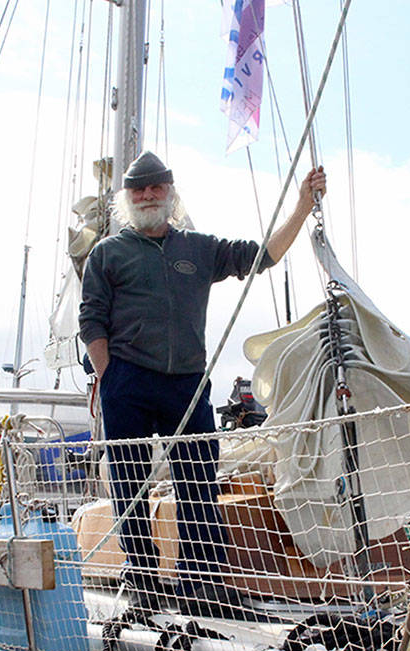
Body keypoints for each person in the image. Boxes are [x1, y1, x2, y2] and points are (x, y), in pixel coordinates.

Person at [79, 151, 326, 615]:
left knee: (198, 482)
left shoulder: (198, 248)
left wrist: (301, 207)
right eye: (139, 189)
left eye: (156, 187)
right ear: (127, 198)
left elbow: (261, 257)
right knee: (129, 484)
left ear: (170, 192)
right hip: (127, 380)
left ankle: (202, 580)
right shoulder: (108, 255)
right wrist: (108, 373)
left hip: (187, 384)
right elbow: (90, 319)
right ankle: (145, 580)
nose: (148, 195)